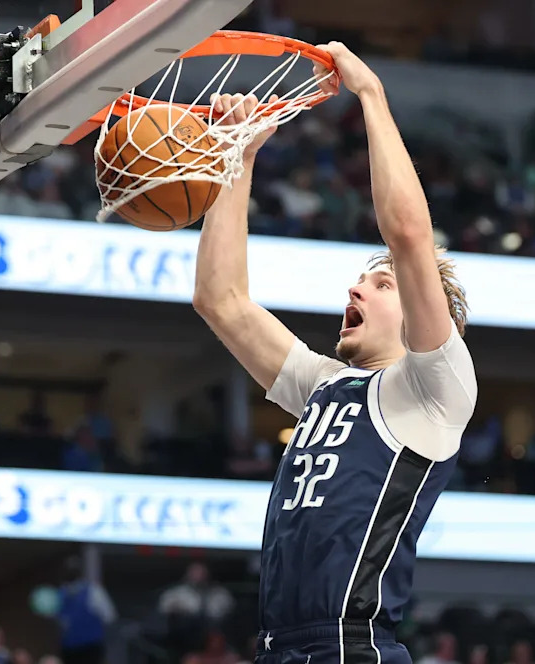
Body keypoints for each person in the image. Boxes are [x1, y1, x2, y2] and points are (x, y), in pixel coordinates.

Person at [192, 42, 476, 663]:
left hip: (349, 648)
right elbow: (221, 299)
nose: (355, 287)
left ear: (426, 314)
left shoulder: (434, 387)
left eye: (382, 283)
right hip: (275, 648)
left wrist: (371, 94)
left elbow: (407, 235)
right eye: (361, 279)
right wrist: (235, 157)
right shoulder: (323, 385)